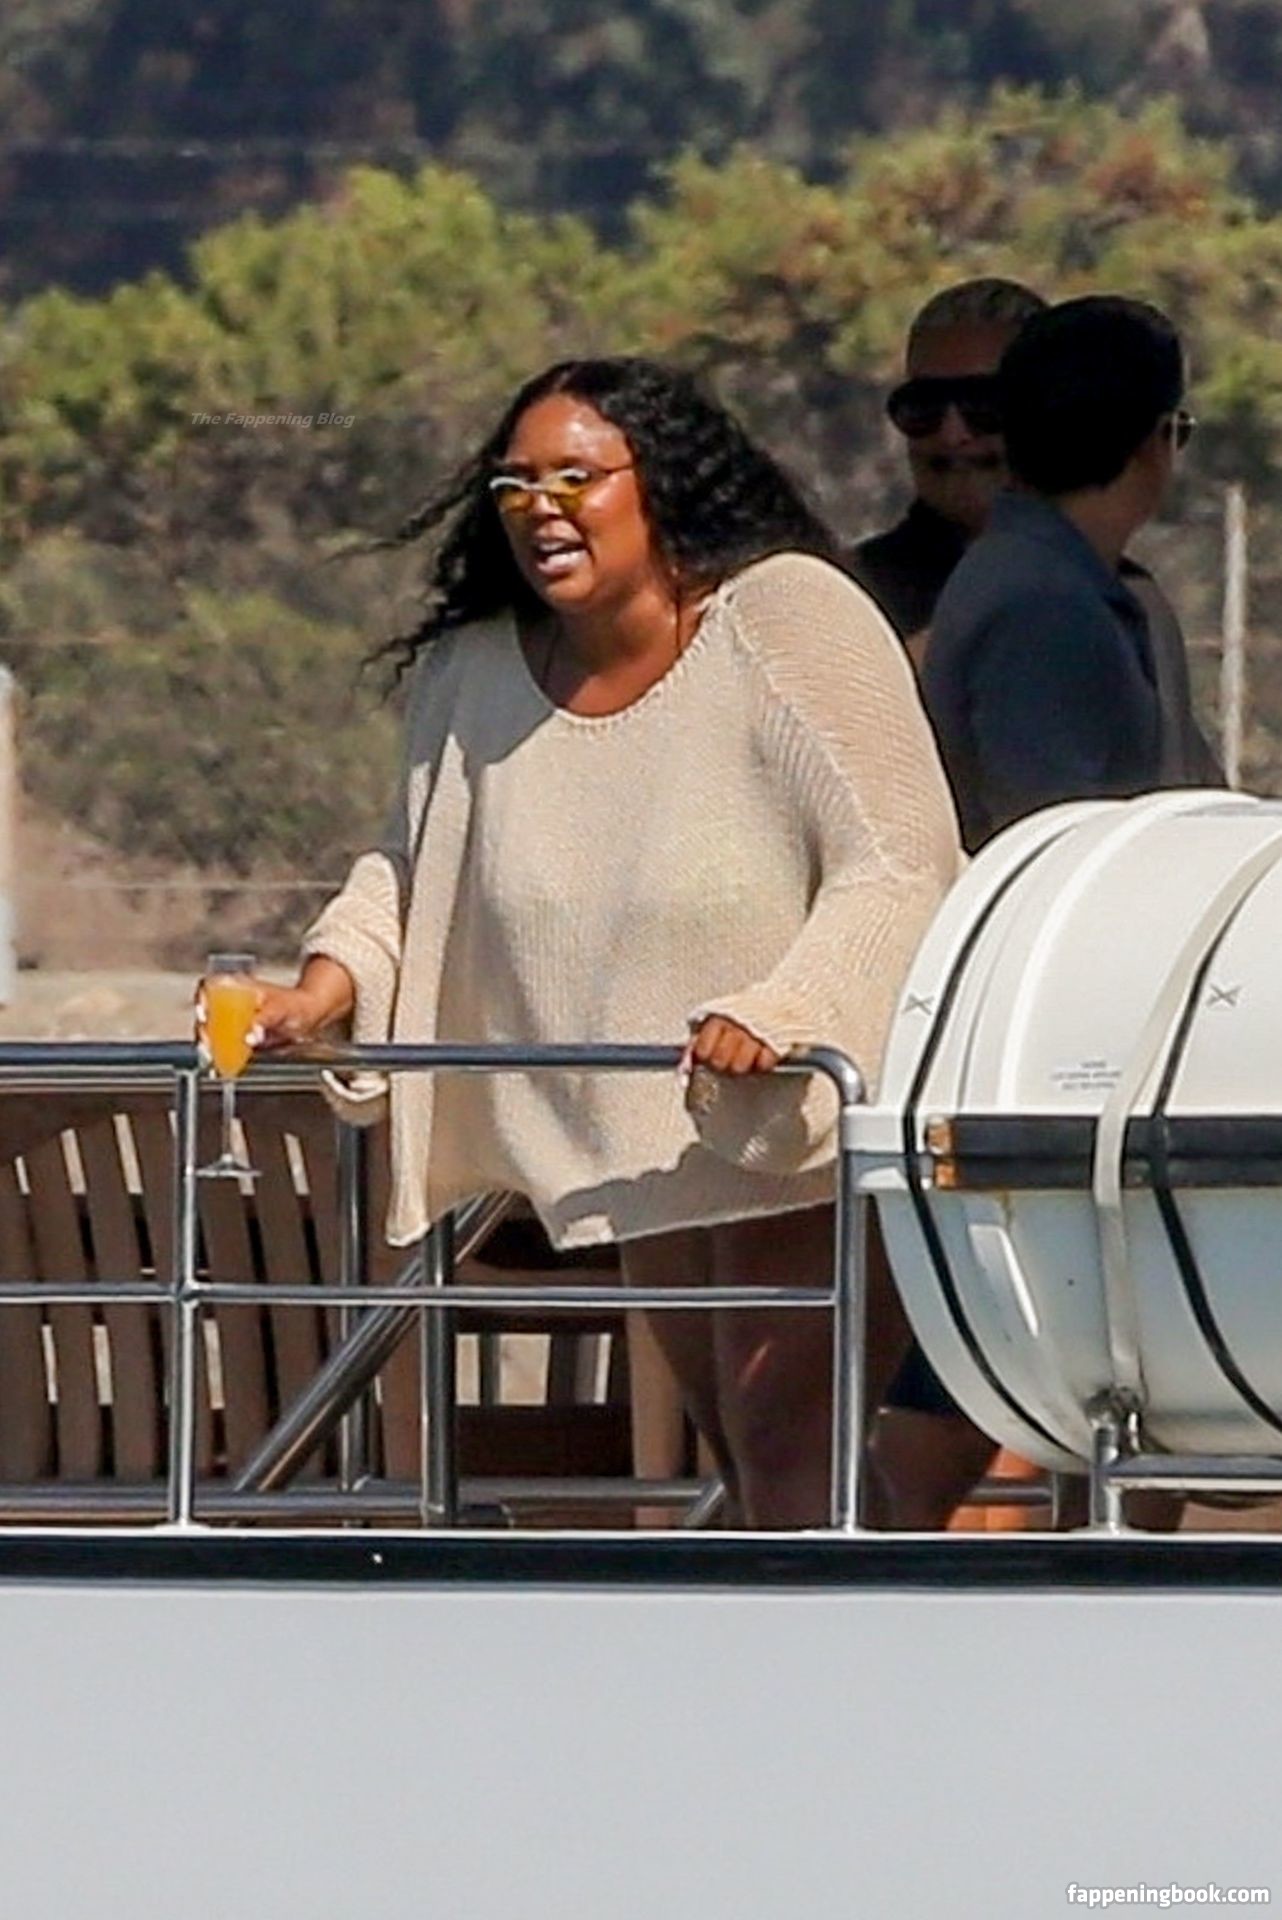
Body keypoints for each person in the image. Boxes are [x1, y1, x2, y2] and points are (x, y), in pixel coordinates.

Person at [232, 356, 962, 1530]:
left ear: (660, 480)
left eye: (576, 477)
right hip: (650, 1131)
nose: (541, 509)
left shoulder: (788, 615)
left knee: (791, 1444)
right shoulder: (474, 670)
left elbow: (901, 858)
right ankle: (885, 1630)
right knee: (757, 1455)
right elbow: (414, 871)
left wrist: (787, 1013)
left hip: (810, 1113)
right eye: (515, 485)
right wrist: (318, 992)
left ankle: (852, 1642)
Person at [871, 296, 1202, 1530]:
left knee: (1081, 1341)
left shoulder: (1076, 590)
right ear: (1158, 440)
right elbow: (1060, 843)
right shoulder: (1043, 606)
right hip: (1066, 1048)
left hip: (1083, 1047)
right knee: (1017, 1336)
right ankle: (867, 1566)